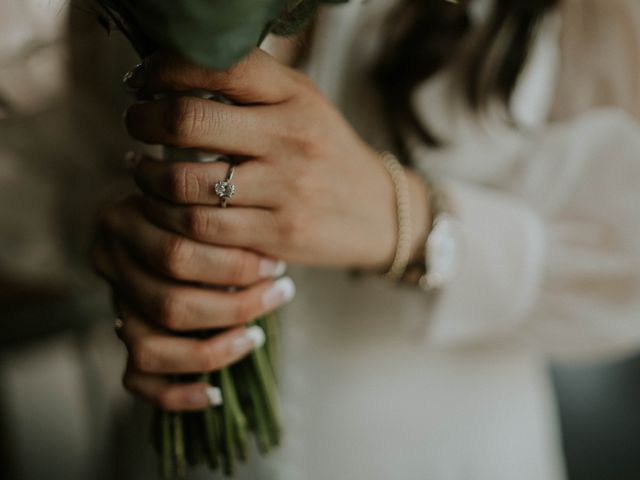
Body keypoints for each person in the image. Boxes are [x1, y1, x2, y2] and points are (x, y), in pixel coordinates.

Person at [92, 0, 640, 478]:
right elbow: (78, 166)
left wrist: (406, 219)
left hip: (447, 454)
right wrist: (131, 241)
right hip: (181, 448)